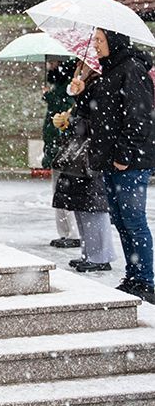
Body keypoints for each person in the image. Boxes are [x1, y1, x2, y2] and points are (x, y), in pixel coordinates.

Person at [65, 28, 155, 303]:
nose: (96, 44)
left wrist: (125, 155)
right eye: (96, 40)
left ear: (114, 40)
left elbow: (139, 116)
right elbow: (95, 111)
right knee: (119, 219)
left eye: (100, 40)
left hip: (130, 161)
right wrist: (79, 91)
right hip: (110, 160)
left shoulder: (131, 69)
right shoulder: (108, 70)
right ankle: (133, 275)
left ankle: (146, 280)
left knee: (133, 221)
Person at [51, 66, 115, 272]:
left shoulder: (101, 83)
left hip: (92, 154)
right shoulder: (87, 83)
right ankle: (90, 253)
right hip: (82, 153)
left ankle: (100, 255)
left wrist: (72, 121)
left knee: (93, 205)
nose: (80, 66)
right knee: (81, 204)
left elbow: (97, 121)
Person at [43, 58, 81, 248]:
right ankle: (65, 232)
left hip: (64, 147)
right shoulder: (59, 85)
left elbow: (63, 112)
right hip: (56, 146)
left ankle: (72, 232)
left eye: (53, 63)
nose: (49, 66)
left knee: (66, 190)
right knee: (58, 191)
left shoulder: (68, 87)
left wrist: (50, 98)